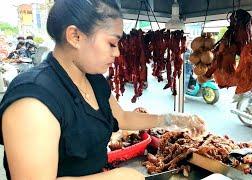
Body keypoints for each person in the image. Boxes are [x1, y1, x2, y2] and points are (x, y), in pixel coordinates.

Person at [0, 0, 207, 179]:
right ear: (75, 36)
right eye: (112, 43)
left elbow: (122, 117)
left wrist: (174, 120)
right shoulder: (33, 100)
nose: (117, 53)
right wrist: (114, 177)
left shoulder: (94, 80)